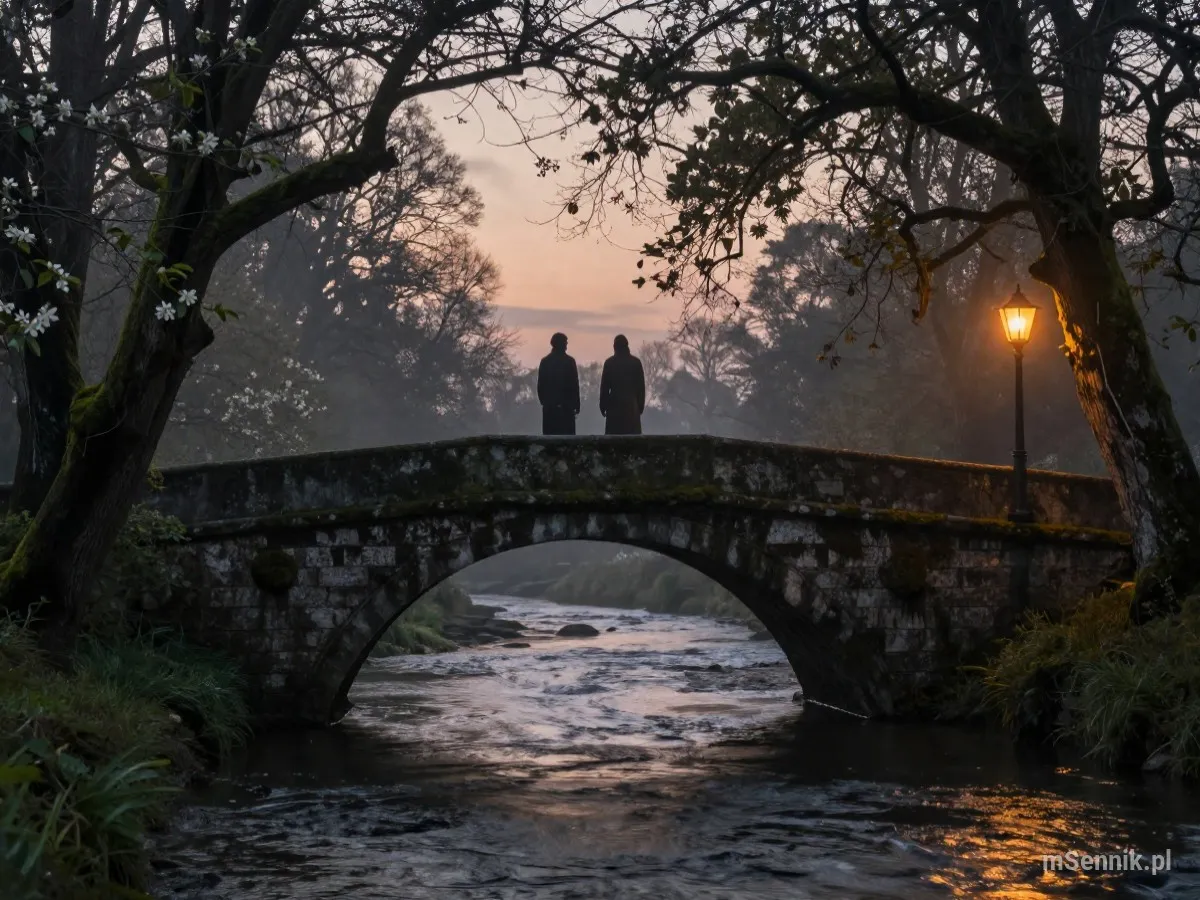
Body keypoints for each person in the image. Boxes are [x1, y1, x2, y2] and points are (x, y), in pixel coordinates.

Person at [599, 334, 645, 435]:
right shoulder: (636, 363)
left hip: (614, 408)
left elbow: (604, 388)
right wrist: (640, 407)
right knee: (632, 439)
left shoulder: (609, 363)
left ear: (614, 347)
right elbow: (641, 388)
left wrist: (603, 406)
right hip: (632, 408)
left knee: (614, 440)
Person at [536, 332, 580, 435]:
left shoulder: (545, 362)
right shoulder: (569, 361)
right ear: (561, 344)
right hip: (567, 408)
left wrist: (545, 402)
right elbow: (575, 385)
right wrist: (576, 404)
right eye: (565, 343)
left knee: (550, 439)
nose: (566, 345)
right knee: (568, 440)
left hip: (549, 408)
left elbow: (540, 386)